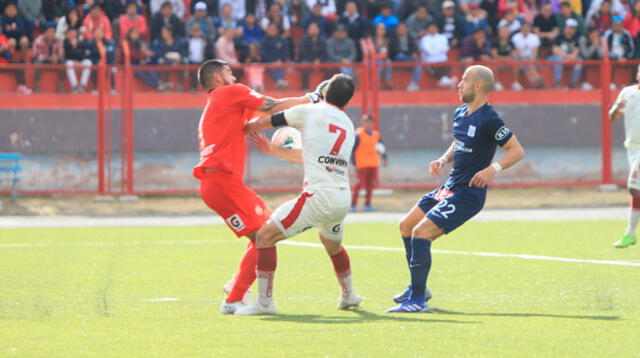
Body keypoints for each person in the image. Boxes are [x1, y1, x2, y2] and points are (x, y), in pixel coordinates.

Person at [386, 65, 525, 313]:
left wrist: (492, 170)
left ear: (478, 86)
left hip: (468, 193)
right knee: (406, 225)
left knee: (421, 232)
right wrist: (443, 159)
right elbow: (458, 142)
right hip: (450, 187)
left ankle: (417, 300)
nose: (459, 84)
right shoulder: (461, 112)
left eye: (464, 80)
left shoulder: (490, 119)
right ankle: (418, 287)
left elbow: (517, 151)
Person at [193, 59, 324, 314]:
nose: (233, 73)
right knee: (267, 235)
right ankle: (234, 298)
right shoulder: (231, 91)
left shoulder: (221, 103)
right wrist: (312, 98)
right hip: (224, 181)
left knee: (261, 235)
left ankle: (236, 287)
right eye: (228, 70)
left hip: (214, 184)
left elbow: (263, 114)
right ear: (217, 78)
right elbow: (271, 105)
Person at [234, 74, 362, 315]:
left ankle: (264, 303)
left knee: (264, 237)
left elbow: (268, 121)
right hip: (342, 197)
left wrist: (238, 129)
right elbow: (310, 155)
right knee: (333, 246)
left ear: (324, 93)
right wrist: (274, 149)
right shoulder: (347, 123)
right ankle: (349, 294)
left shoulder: (309, 111)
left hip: (318, 197)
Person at [609, 64, 640, 248]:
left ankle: (630, 233)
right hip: (632, 147)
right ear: (637, 75)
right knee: (637, 190)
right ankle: (630, 234)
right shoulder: (627, 93)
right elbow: (612, 118)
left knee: (633, 187)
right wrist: (616, 109)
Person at [351, 114, 387, 212]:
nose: (367, 124)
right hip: (362, 164)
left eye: (369, 122)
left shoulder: (376, 134)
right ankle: (353, 205)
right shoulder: (358, 134)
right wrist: (354, 164)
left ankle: (368, 204)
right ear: (363, 123)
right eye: (365, 122)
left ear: (373, 123)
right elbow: (353, 150)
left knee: (370, 185)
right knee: (359, 184)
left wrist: (384, 157)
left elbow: (381, 147)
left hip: (373, 163)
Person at [548, 18, 583, 89]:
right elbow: (555, 51)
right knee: (559, 59)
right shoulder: (559, 37)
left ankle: (572, 83)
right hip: (553, 58)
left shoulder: (576, 38)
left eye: (573, 28)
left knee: (579, 61)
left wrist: (569, 57)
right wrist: (567, 56)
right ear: (565, 27)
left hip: (568, 58)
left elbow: (576, 53)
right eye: (569, 27)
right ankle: (557, 83)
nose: (571, 30)